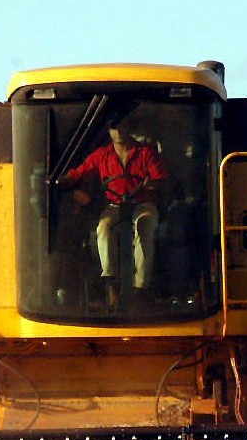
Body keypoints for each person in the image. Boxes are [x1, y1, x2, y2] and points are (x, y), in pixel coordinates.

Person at [56, 123, 170, 307]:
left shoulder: (146, 153)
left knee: (144, 225)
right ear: (109, 131)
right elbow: (81, 171)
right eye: (113, 128)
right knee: (103, 227)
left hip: (142, 203)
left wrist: (152, 184)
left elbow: (161, 179)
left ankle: (141, 287)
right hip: (115, 204)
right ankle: (111, 283)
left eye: (122, 127)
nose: (118, 132)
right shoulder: (102, 155)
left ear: (128, 128)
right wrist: (66, 179)